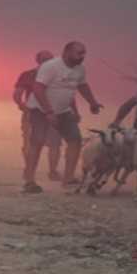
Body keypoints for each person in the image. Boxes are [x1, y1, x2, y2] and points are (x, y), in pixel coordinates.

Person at [24, 41, 104, 192]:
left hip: (63, 110)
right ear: (67, 52)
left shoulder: (80, 69)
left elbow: (82, 86)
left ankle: (68, 178)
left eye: (84, 53)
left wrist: (93, 102)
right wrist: (49, 112)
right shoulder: (50, 66)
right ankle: (29, 180)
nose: (82, 56)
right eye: (78, 53)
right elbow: (38, 88)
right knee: (37, 142)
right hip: (40, 109)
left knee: (75, 140)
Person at [13, 50, 64, 180]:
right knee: (30, 143)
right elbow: (17, 93)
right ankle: (28, 169)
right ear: (38, 61)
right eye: (45, 60)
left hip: (53, 112)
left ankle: (52, 171)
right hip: (33, 112)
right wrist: (21, 104)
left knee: (54, 143)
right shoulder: (28, 75)